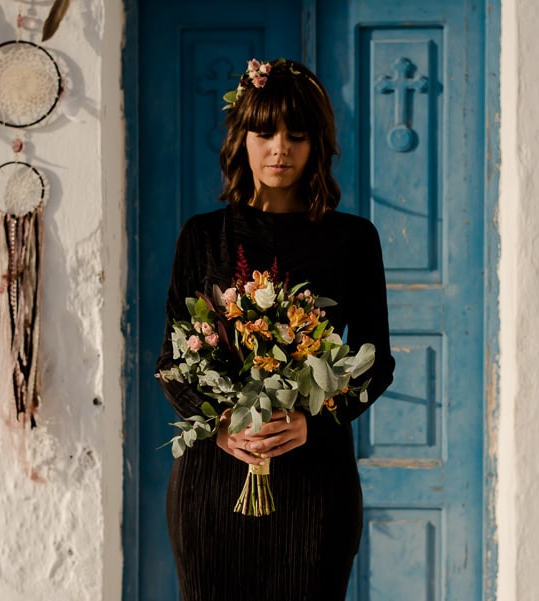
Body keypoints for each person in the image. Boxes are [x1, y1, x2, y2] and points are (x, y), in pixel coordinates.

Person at [156, 57, 395, 601]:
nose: (279, 147)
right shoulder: (201, 238)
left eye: (297, 134)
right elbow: (170, 360)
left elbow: (376, 361)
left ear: (318, 145)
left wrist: (314, 423)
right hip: (214, 482)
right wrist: (220, 427)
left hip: (315, 483)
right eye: (264, 132)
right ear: (242, 138)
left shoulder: (354, 240)